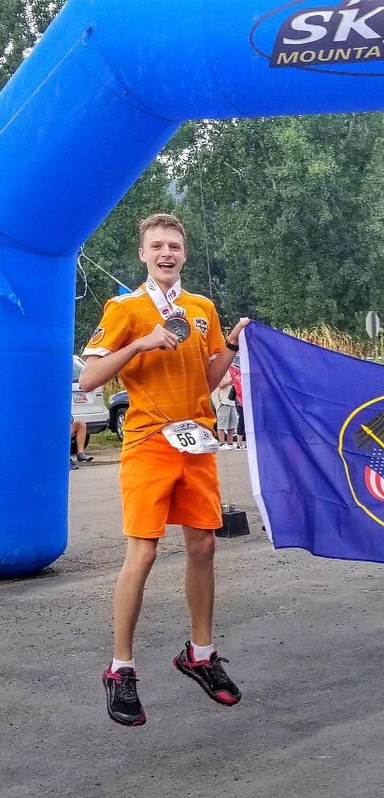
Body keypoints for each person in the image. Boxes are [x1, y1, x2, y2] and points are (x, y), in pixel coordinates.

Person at [80, 213, 250, 726]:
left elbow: (208, 379)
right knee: (144, 552)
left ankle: (200, 654)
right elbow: (89, 378)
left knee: (204, 546)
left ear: (184, 253)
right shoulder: (125, 308)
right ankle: (121, 668)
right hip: (149, 442)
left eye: (173, 246)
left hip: (196, 441)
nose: (166, 253)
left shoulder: (201, 308)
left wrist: (231, 347)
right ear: (143, 254)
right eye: (156, 246)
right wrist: (140, 343)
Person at [212, 370, 238, 450]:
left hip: (231, 401)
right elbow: (221, 384)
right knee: (222, 423)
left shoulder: (230, 371)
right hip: (222, 401)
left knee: (232, 423)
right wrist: (232, 379)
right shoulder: (219, 372)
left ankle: (230, 442)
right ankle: (221, 442)